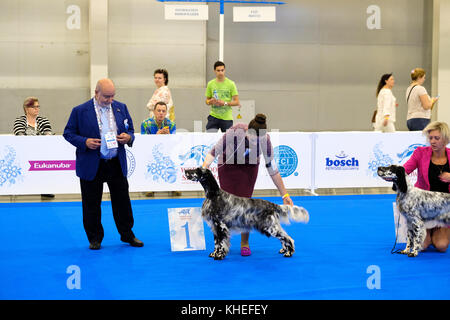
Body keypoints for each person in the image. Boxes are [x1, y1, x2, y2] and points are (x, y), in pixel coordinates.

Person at [63, 78, 143, 250]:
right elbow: (68, 133)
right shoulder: (79, 111)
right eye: (106, 96)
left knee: (122, 201)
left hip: (115, 162)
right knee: (91, 203)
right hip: (92, 163)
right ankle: (94, 238)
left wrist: (129, 137)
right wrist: (84, 142)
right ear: (96, 93)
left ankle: (128, 234)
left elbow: (130, 130)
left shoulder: (121, 107)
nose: (110, 100)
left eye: (112, 96)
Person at [201, 114, 293, 256]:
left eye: (259, 140)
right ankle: (223, 242)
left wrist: (285, 194)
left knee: (246, 206)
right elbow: (214, 152)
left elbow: (273, 171)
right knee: (225, 206)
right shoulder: (235, 131)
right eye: (253, 140)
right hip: (228, 166)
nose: (256, 143)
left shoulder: (266, 141)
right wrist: (204, 169)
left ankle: (245, 242)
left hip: (249, 168)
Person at [403, 121, 450, 252]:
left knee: (441, 246)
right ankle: (427, 231)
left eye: (437, 138)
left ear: (445, 140)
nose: (433, 141)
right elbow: (404, 170)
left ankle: (438, 230)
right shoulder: (420, 153)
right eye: (430, 138)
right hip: (424, 208)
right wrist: (393, 173)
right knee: (422, 246)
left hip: (444, 209)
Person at [205, 61, 240, 132]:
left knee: (228, 141)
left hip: (226, 118)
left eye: (222, 70)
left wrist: (224, 103)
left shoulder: (231, 84)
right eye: (218, 70)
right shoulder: (210, 84)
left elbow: (236, 102)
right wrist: (210, 102)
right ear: (214, 71)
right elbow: (207, 101)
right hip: (213, 117)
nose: (220, 72)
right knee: (209, 139)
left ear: (225, 70)